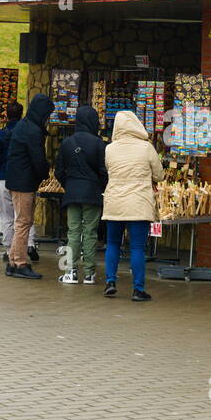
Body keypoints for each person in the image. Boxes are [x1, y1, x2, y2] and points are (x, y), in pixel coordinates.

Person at [102, 110, 163, 301]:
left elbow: (109, 170)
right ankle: (138, 289)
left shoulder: (110, 148)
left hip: (115, 203)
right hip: (138, 202)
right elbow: (159, 175)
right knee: (137, 248)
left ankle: (110, 282)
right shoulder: (146, 148)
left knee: (112, 243)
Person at [55, 105, 108, 284]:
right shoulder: (99, 143)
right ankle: (89, 273)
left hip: (72, 193)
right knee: (90, 232)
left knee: (73, 232)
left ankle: (70, 272)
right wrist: (100, 186)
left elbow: (59, 171)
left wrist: (68, 184)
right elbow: (103, 171)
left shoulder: (67, 142)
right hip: (92, 193)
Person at [5, 94, 54, 280]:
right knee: (23, 222)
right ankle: (20, 262)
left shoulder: (24, 125)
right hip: (23, 183)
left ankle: (12, 261)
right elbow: (38, 159)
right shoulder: (33, 131)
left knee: (22, 221)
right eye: (47, 115)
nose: (47, 119)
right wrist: (45, 173)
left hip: (19, 180)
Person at [0, 102, 38, 264]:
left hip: (4, 178)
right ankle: (29, 244)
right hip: (23, 179)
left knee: (7, 216)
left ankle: (9, 247)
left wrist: (0, 167)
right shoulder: (26, 132)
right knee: (25, 216)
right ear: (22, 113)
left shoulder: (0, 134)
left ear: (6, 115)